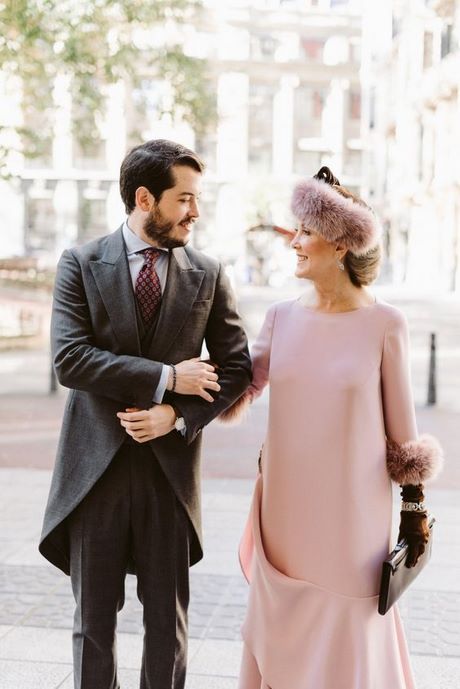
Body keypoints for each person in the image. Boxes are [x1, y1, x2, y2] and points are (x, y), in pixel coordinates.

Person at [39, 139, 252, 689]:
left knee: (168, 625)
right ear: (144, 198)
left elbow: (236, 369)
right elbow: (70, 359)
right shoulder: (81, 264)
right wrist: (167, 379)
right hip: (94, 473)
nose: (195, 212)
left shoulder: (208, 272)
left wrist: (176, 417)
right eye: (184, 199)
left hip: (169, 476)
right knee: (92, 625)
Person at [232, 167, 443, 689]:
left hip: (353, 513)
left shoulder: (385, 323)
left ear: (342, 245)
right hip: (284, 507)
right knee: (282, 616)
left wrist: (414, 514)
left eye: (305, 232)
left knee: (347, 613)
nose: (295, 243)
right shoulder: (280, 317)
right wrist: (167, 380)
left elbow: (404, 437)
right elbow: (237, 385)